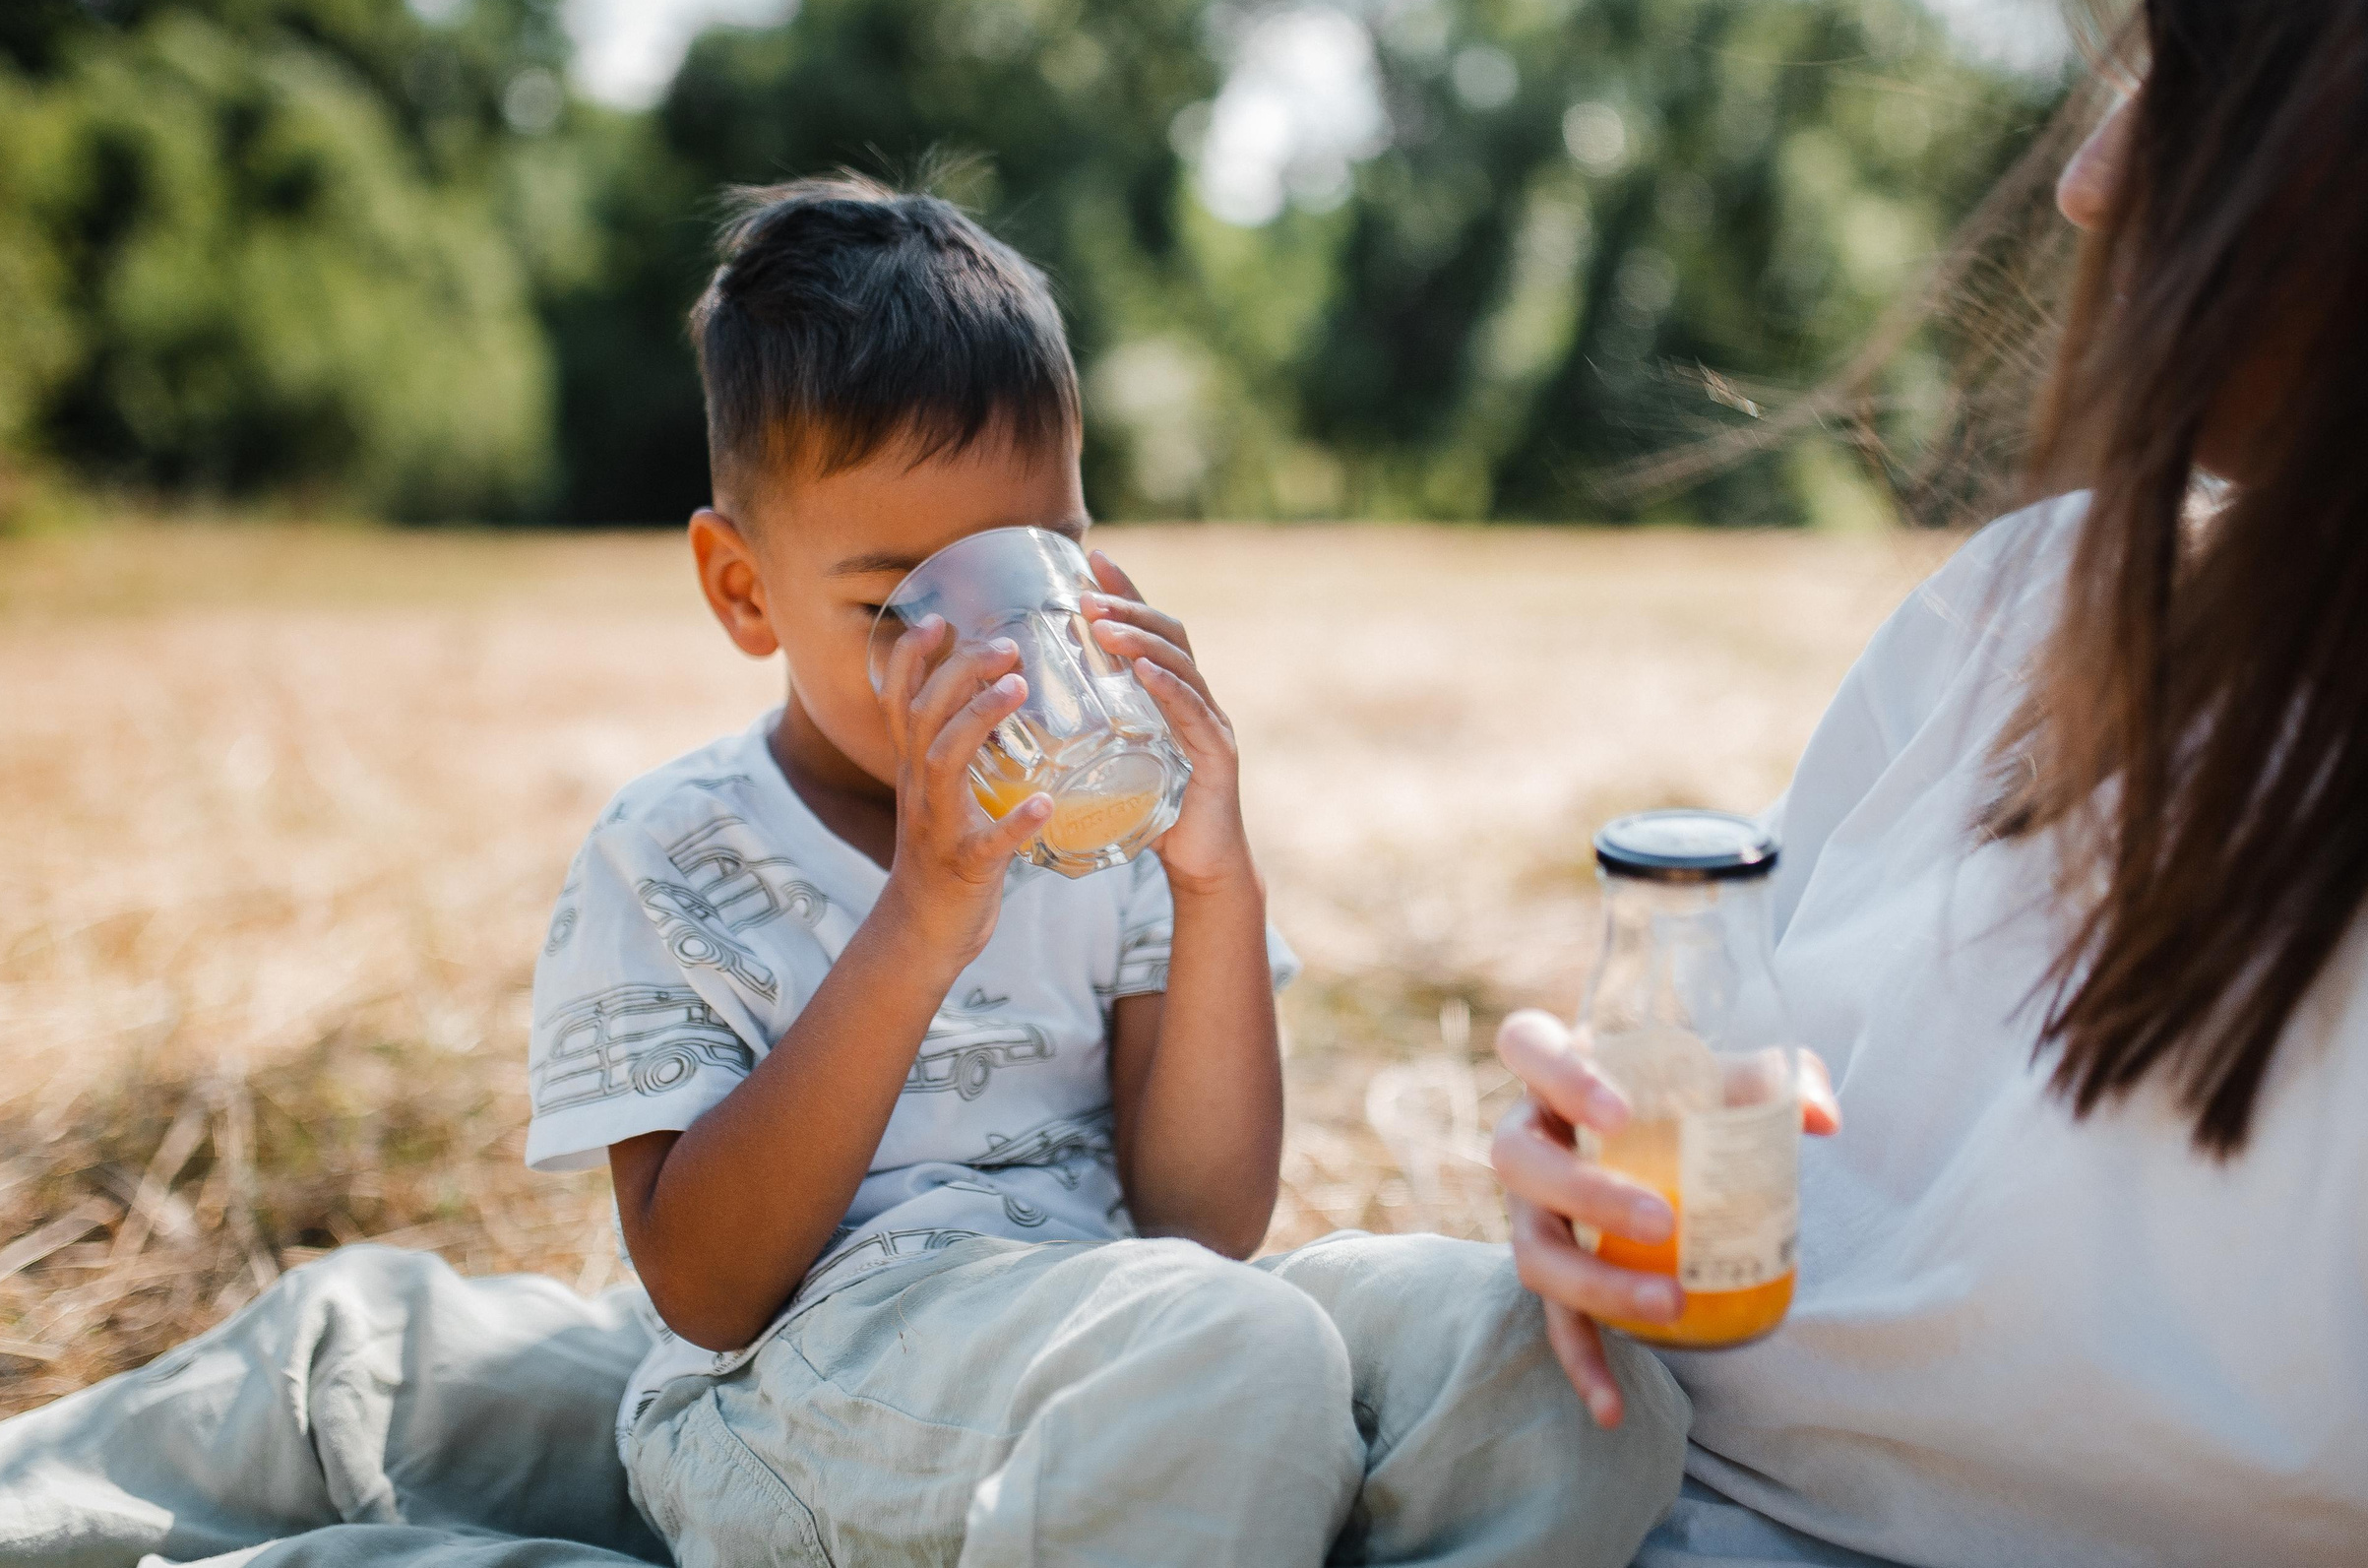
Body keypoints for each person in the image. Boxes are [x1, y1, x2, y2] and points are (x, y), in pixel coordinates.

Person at [1492, 0, 2368, 1564]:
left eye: (2206, 89)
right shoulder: (2024, 610)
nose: (2094, 183)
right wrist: (1592, 1185)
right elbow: (1742, 1113)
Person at [525, 174, 1684, 1568]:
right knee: (1235, 1363)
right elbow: (708, 1291)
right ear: (745, 593)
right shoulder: (672, 854)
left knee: (1533, 1358)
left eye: (1036, 569)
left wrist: (1212, 885)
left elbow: (1203, 1219)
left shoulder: (1102, 824)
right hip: (788, 1400)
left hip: (1135, 1329)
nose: (996, 658)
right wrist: (920, 923)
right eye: (904, 606)